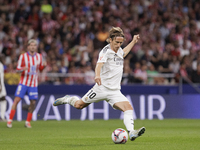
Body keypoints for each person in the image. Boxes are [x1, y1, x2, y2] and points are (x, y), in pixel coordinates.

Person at [53, 27, 145, 141]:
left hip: (115, 91)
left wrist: (133, 41)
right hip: (101, 88)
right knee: (79, 105)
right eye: (117, 42)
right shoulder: (106, 51)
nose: (119, 45)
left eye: (121, 43)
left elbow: (123, 53)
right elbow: (99, 64)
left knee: (128, 108)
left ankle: (131, 132)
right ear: (110, 40)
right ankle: (67, 99)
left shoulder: (119, 50)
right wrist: (97, 75)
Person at [7, 39, 46, 128]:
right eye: (31, 45)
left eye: (34, 45)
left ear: (36, 47)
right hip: (23, 82)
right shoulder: (23, 56)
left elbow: (40, 69)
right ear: (28, 47)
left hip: (33, 84)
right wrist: (23, 69)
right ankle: (9, 120)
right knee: (16, 100)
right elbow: (17, 69)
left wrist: (44, 66)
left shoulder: (39, 57)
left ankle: (27, 122)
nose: (32, 47)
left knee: (33, 103)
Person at [0, 54, 7, 122]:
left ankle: (2, 116)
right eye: (3, 58)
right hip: (0, 86)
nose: (4, 60)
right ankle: (2, 117)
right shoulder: (0, 65)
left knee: (3, 100)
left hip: (1, 85)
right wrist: (0, 86)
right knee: (3, 100)